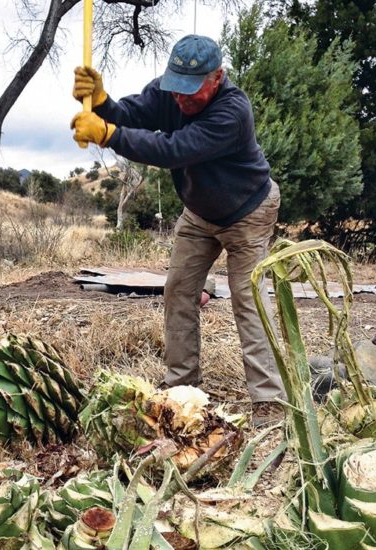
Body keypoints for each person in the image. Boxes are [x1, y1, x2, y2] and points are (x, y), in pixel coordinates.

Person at [71, 34, 286, 426]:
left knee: (248, 299)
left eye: (191, 90)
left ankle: (270, 401)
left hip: (248, 212)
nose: (181, 98)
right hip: (200, 212)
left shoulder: (233, 111)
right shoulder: (169, 92)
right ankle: (181, 389)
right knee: (179, 291)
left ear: (217, 77)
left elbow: (173, 149)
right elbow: (130, 114)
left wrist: (107, 134)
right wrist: (102, 102)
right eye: (176, 87)